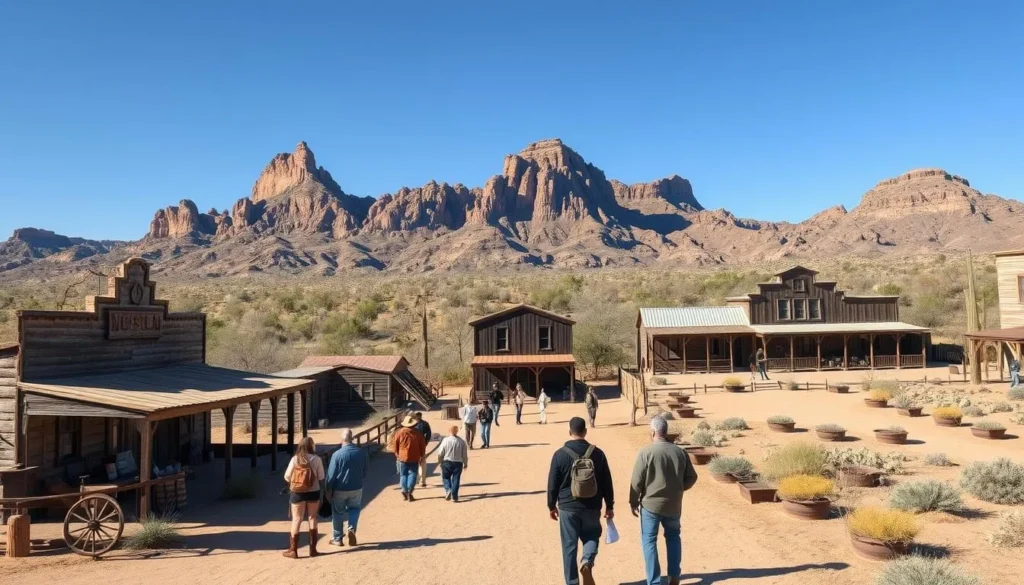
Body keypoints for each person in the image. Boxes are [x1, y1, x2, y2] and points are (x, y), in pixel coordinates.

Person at [629, 416, 699, 585]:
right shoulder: (679, 452)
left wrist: (633, 501)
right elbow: (692, 477)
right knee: (673, 537)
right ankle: (674, 576)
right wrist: (678, 489)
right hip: (673, 505)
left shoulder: (646, 452)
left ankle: (654, 581)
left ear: (653, 432)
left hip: (650, 505)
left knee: (649, 541)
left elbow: (636, 481)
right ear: (665, 432)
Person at [547, 417, 614, 585]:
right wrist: (609, 505)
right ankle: (587, 561)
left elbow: (552, 483)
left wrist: (551, 505)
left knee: (569, 546)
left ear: (570, 432)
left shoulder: (560, 454)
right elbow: (607, 481)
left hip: (568, 507)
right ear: (585, 432)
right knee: (592, 536)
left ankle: (572, 582)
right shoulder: (598, 454)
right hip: (592, 506)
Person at [282, 436, 326, 559]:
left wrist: (294, 482)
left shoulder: (295, 459)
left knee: (297, 519)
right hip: (313, 491)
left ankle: (293, 550)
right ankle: (313, 550)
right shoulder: (317, 459)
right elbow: (321, 476)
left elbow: (287, 476)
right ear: (311, 446)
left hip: (297, 492)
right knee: (312, 517)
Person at [325, 428, 368, 547]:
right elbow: (365, 470)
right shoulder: (361, 452)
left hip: (340, 488)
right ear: (352, 438)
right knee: (355, 508)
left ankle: (338, 538)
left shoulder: (337, 454)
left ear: (342, 439)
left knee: (338, 512)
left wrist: (328, 488)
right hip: (356, 486)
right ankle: (352, 528)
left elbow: (331, 474)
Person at [392, 414, 427, 501]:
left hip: (402, 457)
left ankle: (404, 489)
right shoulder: (418, 433)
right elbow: (422, 446)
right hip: (414, 457)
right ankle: (409, 491)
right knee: (412, 474)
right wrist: (422, 456)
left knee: (403, 474)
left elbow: (395, 445)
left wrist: (397, 454)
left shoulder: (399, 433)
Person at [436, 425, 469, 502]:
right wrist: (465, 463)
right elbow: (464, 454)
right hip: (458, 463)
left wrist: (439, 460)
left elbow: (441, 452)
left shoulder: (445, 440)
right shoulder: (461, 441)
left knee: (446, 477)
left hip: (447, 461)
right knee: (456, 479)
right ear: (456, 431)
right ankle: (454, 496)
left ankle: (448, 489)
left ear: (449, 431)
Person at [413, 412, 433, 487]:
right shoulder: (424, 424)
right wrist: (426, 442)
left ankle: (420, 479)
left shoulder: (413, 425)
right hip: (421, 445)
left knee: (417, 462)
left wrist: (426, 442)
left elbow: (428, 434)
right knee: (422, 462)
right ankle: (422, 480)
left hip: (416, 446)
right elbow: (428, 434)